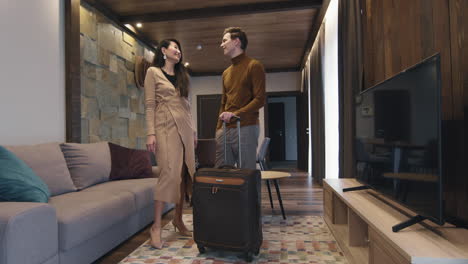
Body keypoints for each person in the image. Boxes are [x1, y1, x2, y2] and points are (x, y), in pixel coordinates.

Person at [144, 39, 196, 249]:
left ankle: (178, 219)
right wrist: (150, 133)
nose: (178, 50)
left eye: (179, 48)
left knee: (184, 174)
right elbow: (149, 105)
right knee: (169, 173)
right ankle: (156, 227)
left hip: (184, 128)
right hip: (164, 126)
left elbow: (187, 106)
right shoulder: (153, 72)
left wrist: (192, 131)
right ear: (164, 51)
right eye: (174, 47)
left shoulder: (184, 76)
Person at [215, 27, 266, 169]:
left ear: (236, 42)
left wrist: (235, 114)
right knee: (222, 173)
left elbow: (260, 99)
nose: (221, 44)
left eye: (224, 40)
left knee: (246, 174)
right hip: (224, 129)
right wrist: (218, 129)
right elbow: (223, 103)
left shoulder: (254, 66)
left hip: (246, 126)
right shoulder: (226, 73)